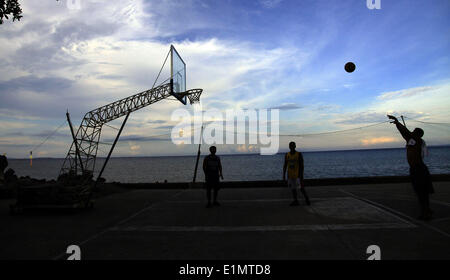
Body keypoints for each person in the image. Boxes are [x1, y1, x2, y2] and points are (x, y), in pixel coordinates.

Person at [388, 115, 434, 220]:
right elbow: (405, 133)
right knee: (420, 192)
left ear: (417, 134)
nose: (411, 132)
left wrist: (397, 122)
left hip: (419, 169)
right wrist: (398, 123)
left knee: (422, 192)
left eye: (414, 132)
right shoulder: (412, 140)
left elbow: (406, 133)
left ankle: (426, 212)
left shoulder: (417, 141)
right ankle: (426, 210)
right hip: (416, 169)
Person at [283, 142, 311, 206]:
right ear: (289, 147)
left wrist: (301, 175)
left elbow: (302, 166)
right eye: (290, 145)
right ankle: (295, 201)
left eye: (293, 145)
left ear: (295, 146)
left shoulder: (298, 154)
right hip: (290, 175)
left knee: (301, 188)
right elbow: (285, 165)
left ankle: (307, 199)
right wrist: (284, 175)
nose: (292, 147)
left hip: (297, 175)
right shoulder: (287, 155)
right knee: (293, 188)